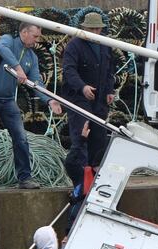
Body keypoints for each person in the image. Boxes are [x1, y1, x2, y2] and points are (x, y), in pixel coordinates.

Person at [0, 21, 62, 191]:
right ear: (23, 32)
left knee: (21, 137)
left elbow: (36, 82)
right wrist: (17, 67)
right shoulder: (8, 40)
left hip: (7, 99)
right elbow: (1, 49)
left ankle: (24, 178)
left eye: (38, 37)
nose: (36, 40)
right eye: (35, 36)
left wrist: (49, 100)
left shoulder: (32, 57)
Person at [61, 12, 116, 188]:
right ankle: (81, 178)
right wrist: (82, 87)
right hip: (78, 98)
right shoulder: (74, 46)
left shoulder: (105, 45)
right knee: (81, 135)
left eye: (97, 28)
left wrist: (109, 90)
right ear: (84, 28)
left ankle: (95, 174)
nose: (95, 31)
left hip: (99, 99)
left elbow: (109, 71)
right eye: (91, 29)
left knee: (99, 136)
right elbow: (69, 71)